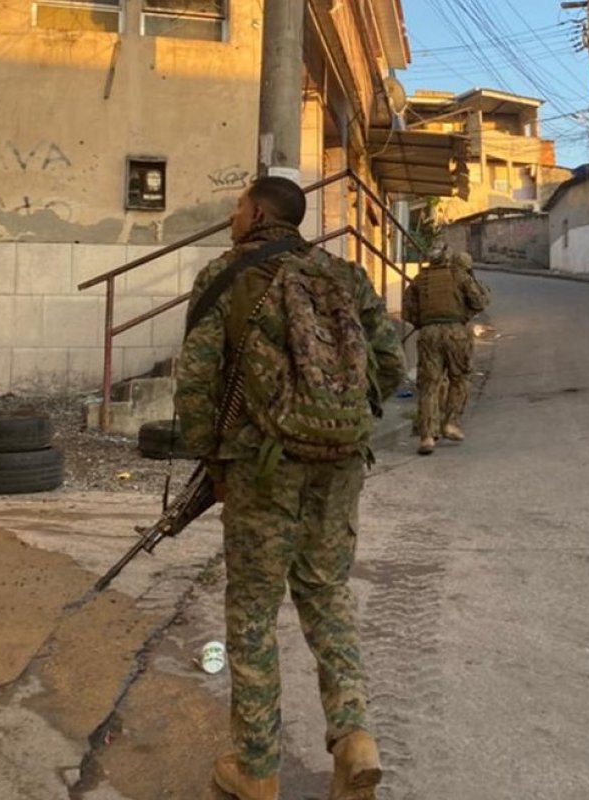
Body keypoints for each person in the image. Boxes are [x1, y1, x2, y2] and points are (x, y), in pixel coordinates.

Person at [176, 176, 404, 800]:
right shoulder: (345, 276)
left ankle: (256, 767)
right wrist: (334, 419)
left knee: (251, 611)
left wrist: (212, 460)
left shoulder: (225, 276)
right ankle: (355, 738)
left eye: (235, 206)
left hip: (260, 469)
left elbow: (196, 381)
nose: (230, 215)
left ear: (254, 213)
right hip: (340, 461)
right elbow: (390, 366)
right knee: (326, 593)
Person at [402, 247, 490, 455]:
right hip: (455, 332)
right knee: (459, 378)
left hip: (428, 333)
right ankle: (451, 423)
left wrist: (424, 323)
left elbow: (408, 311)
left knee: (429, 384)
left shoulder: (418, 280)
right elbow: (479, 301)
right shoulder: (458, 275)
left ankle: (427, 436)